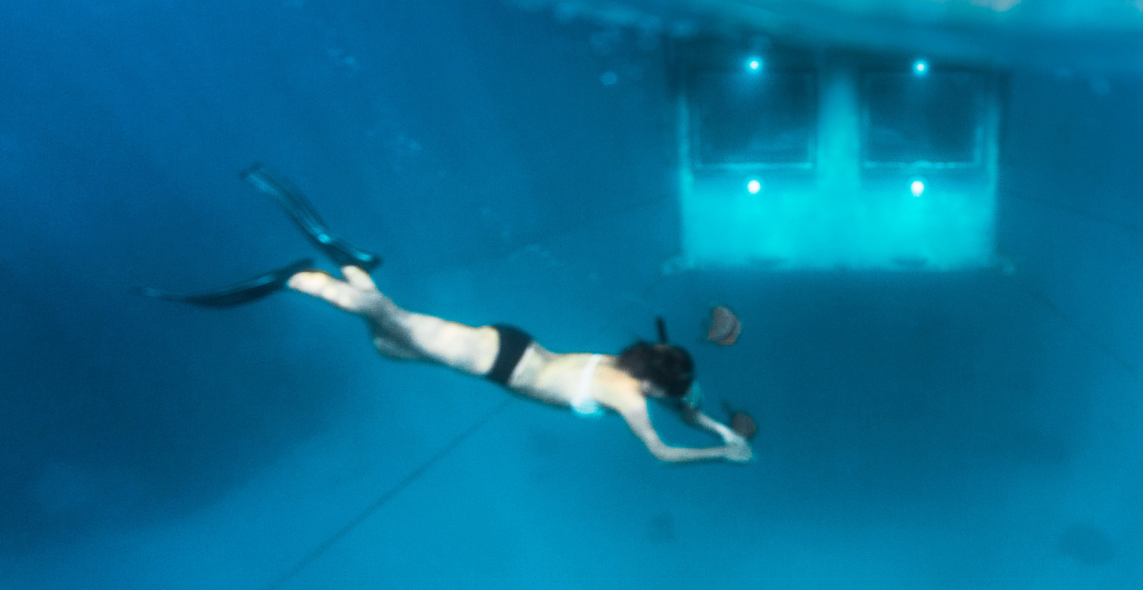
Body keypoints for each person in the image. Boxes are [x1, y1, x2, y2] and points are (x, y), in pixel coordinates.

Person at [144, 167, 753, 466]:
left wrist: (723, 430)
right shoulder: (633, 402)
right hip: (495, 360)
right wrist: (719, 455)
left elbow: (690, 407)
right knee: (393, 319)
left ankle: (355, 264)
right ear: (654, 387)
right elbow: (665, 453)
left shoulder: (652, 372)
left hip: (512, 347)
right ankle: (301, 276)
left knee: (387, 344)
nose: (676, 402)